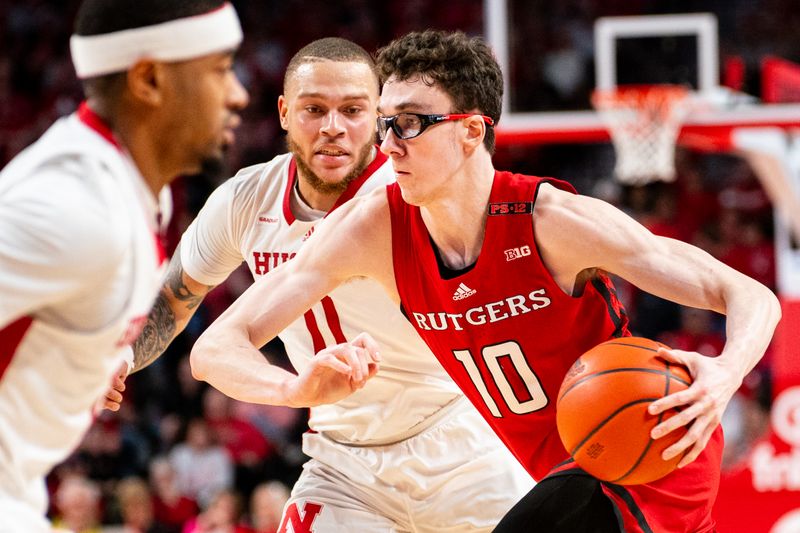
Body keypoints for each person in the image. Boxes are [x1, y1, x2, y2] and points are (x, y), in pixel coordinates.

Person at [191, 30, 783, 533]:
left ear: (472, 131)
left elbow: (749, 294)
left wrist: (725, 375)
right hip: (562, 469)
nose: (389, 142)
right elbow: (215, 348)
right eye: (387, 122)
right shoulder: (373, 227)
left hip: (646, 447)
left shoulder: (550, 222)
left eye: (413, 123)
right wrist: (295, 391)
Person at [122, 38, 530, 531]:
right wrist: (117, 361)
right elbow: (172, 301)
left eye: (353, 110)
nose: (333, 127)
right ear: (284, 112)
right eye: (314, 109)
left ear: (379, 114)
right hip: (343, 464)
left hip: (461, 443)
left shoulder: (416, 193)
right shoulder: (246, 200)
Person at [0, 1, 249, 530]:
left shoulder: (131, 192)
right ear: (149, 80)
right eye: (220, 70)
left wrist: (89, 355)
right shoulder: (76, 207)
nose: (238, 95)